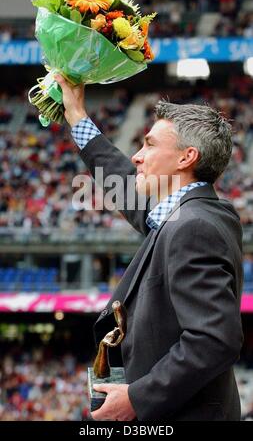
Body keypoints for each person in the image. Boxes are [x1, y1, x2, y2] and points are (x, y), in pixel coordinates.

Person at [55, 74, 244, 421]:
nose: (137, 157)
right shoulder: (188, 215)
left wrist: (138, 398)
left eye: (150, 145)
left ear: (187, 157)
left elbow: (214, 339)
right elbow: (122, 182)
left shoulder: (193, 226)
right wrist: (76, 115)